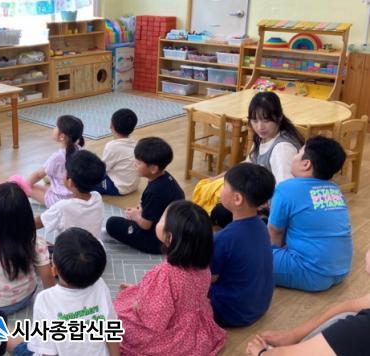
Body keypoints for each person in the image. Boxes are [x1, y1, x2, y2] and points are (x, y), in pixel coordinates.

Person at [114, 200, 226, 355]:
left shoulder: (167, 273)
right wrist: (142, 290)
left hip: (173, 333)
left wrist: (139, 303)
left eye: (161, 219)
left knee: (115, 322)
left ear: (170, 238)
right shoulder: (203, 266)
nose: (158, 220)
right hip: (197, 328)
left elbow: (155, 320)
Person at [246, 250, 370, 356]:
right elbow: (349, 306)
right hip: (337, 268)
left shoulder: (356, 330)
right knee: (343, 315)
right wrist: (293, 335)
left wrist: (261, 352)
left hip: (313, 272)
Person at [268, 136, 352, 292]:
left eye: (298, 153)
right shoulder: (335, 189)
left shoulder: (286, 188)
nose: (294, 156)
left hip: (310, 271)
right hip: (341, 269)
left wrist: (271, 255)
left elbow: (275, 231)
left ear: (306, 164)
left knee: (247, 256)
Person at [210, 91, 305, 226]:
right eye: (255, 121)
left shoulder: (282, 149)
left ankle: (261, 225)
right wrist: (223, 175)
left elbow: (286, 192)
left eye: (266, 121)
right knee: (219, 209)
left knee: (222, 213)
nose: (260, 127)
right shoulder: (263, 137)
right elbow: (248, 164)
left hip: (273, 209)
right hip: (259, 199)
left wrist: (263, 205)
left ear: (279, 118)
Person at [20, 228, 119, 356]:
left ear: (54, 269)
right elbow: (111, 332)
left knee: (11, 338)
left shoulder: (45, 299)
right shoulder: (100, 285)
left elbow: (46, 352)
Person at [0, 183, 55, 315]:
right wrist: (52, 303)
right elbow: (47, 275)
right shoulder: (35, 241)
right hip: (25, 297)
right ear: (26, 214)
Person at [210, 163, 276, 327]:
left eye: (224, 186)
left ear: (237, 199)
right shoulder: (262, 225)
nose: (221, 190)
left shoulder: (224, 238)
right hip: (259, 306)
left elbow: (209, 278)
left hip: (229, 314)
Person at [105, 137, 184, 254]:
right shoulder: (165, 177)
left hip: (158, 241)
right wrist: (141, 210)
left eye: (138, 163)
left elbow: (146, 225)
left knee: (112, 224)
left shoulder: (155, 191)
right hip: (174, 232)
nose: (134, 164)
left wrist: (135, 216)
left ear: (153, 169)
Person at [36, 150, 106, 241]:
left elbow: (37, 223)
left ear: (70, 182)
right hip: (96, 247)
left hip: (70, 250)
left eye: (65, 172)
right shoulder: (97, 197)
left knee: (37, 241)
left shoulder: (62, 207)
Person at [25, 115, 85, 207]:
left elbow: (38, 174)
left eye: (56, 127)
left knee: (27, 188)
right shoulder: (81, 150)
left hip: (59, 200)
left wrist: (22, 186)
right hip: (75, 195)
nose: (54, 129)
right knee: (37, 186)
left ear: (62, 136)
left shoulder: (57, 158)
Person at [95, 108, 140, 196]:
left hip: (118, 187)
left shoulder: (112, 146)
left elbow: (103, 169)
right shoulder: (135, 144)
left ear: (111, 125)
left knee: (84, 182)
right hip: (133, 185)